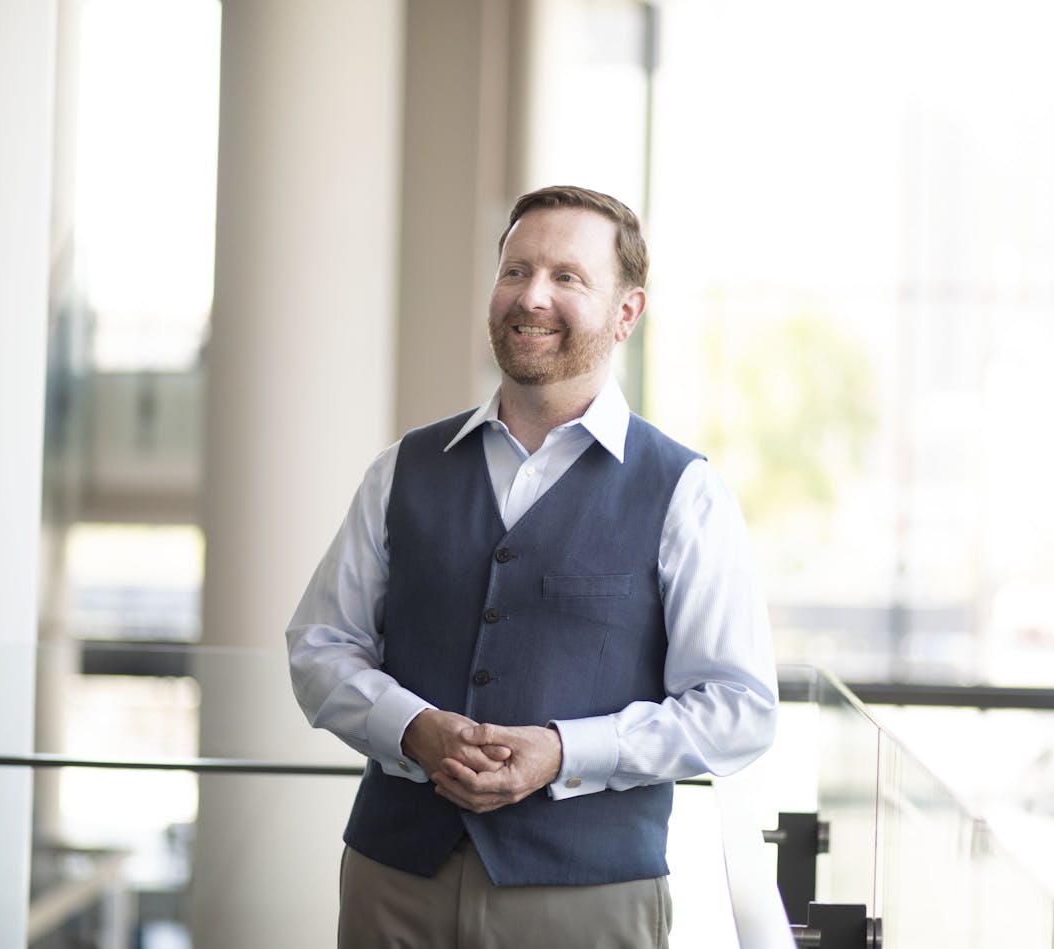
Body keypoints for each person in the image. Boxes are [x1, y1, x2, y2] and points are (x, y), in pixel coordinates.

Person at [286, 185, 778, 949]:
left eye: (567, 277)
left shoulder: (685, 492)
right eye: (515, 271)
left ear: (626, 313)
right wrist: (413, 728)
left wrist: (562, 752)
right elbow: (319, 646)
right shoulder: (403, 469)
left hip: (587, 898)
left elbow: (739, 706)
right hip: (393, 882)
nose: (532, 297)